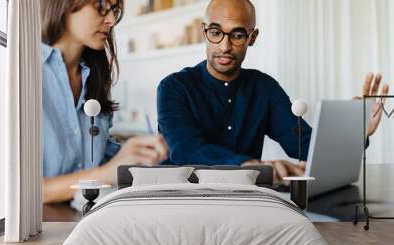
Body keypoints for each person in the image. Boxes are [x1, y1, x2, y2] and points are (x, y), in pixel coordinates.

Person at [157, 0, 390, 184]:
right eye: (216, 32)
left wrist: (353, 133)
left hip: (245, 200)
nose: (225, 46)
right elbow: (187, 149)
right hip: (184, 197)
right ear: (204, 32)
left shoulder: (265, 89)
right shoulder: (173, 87)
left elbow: (302, 144)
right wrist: (249, 165)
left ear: (252, 38)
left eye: (237, 35)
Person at [41, 0, 169, 204]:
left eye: (114, 11)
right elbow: (18, 190)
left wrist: (133, 153)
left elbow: (97, 155)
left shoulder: (96, 77)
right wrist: (103, 174)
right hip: (39, 227)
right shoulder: (25, 71)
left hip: (90, 219)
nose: (110, 21)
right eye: (101, 6)